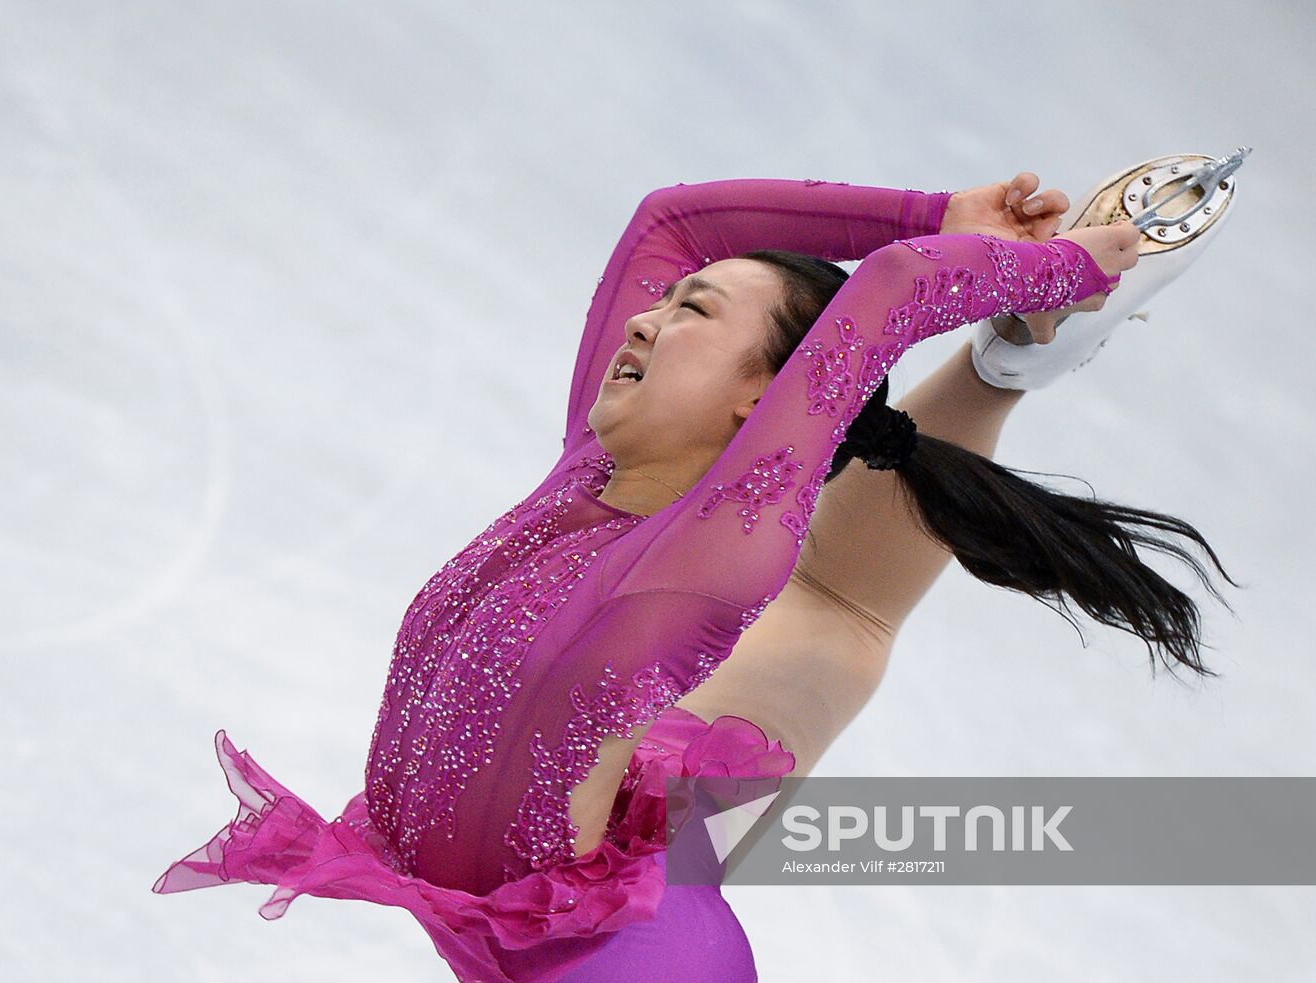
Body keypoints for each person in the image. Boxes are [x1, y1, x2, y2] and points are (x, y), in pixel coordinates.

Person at [154, 174, 1215, 983]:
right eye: (663, 310)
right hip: (546, 876)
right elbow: (672, 221)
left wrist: (1080, 265)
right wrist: (937, 204)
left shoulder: (717, 537)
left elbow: (892, 290)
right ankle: (1003, 364)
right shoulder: (593, 461)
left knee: (836, 609)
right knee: (829, 611)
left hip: (625, 964)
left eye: (692, 317)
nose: (646, 318)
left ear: (762, 398)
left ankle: (1011, 355)